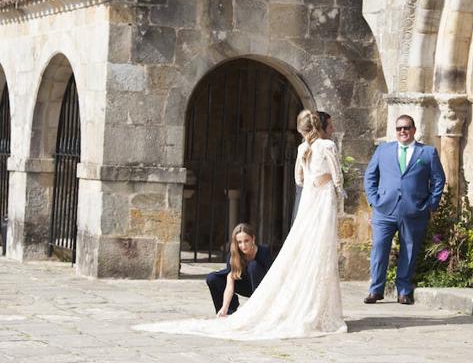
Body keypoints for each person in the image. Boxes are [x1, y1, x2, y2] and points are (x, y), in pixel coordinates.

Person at [134, 110, 347, 340]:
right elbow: (337, 177)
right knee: (321, 251)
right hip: (323, 200)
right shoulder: (327, 147)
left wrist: (315, 184)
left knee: (309, 249)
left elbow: (298, 180)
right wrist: (336, 193)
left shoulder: (301, 149)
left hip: (309, 200)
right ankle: (318, 308)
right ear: (318, 126)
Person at [363, 115, 446, 304]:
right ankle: (376, 289)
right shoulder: (383, 150)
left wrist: (431, 204)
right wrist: (373, 200)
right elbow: (370, 177)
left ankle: (404, 290)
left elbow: (438, 179)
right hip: (384, 209)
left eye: (407, 127)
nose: (403, 131)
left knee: (409, 250)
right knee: (379, 248)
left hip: (413, 210)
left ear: (414, 130)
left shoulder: (427, 152)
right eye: (399, 128)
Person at [205, 223, 272, 316]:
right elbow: (230, 283)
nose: (243, 245)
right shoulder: (233, 256)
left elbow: (273, 278)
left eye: (246, 241)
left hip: (261, 288)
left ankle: (257, 307)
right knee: (212, 278)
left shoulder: (264, 252)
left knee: (253, 265)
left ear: (253, 239)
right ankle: (228, 311)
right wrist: (225, 307)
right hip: (244, 285)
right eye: (239, 242)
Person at [291, 111, 334, 224]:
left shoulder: (326, 147)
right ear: (321, 128)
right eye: (330, 127)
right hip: (309, 199)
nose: (333, 130)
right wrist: (325, 179)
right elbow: (299, 178)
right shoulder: (307, 148)